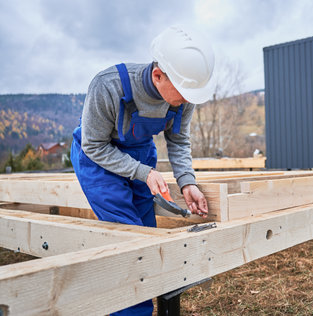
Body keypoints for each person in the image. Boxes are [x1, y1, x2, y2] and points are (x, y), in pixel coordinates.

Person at [71, 25, 215, 315]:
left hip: (139, 156)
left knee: (147, 235)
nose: (187, 100)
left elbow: (178, 140)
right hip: (98, 160)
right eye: (184, 92)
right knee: (130, 242)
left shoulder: (182, 96)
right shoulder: (109, 86)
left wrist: (188, 183)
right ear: (158, 75)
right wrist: (143, 173)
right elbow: (94, 146)